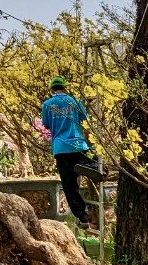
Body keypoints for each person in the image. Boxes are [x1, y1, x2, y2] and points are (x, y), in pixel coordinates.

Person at [39, 77, 104, 233]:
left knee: (70, 186)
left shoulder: (47, 104)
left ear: (52, 89)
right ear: (64, 87)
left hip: (61, 148)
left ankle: (82, 216)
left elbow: (46, 124)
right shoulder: (74, 101)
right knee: (84, 161)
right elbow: (84, 118)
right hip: (77, 144)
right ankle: (95, 166)